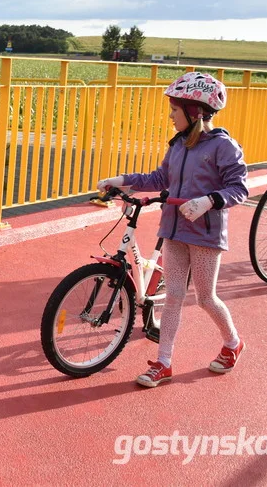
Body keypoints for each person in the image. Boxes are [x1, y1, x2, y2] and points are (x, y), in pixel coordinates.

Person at [97, 71, 248, 388]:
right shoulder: (178, 146)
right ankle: (163, 362)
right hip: (174, 230)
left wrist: (210, 200)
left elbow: (239, 189)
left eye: (175, 110)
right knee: (175, 297)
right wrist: (121, 180)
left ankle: (233, 343)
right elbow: (158, 179)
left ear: (195, 113)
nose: (170, 116)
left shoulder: (224, 147)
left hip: (206, 235)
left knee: (206, 299)